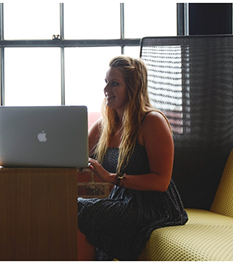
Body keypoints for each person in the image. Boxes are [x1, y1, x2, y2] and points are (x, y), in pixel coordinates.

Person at [77, 56, 188, 261]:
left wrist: (113, 178)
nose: (106, 89)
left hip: (155, 207)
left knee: (81, 210)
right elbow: (74, 156)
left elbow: (161, 182)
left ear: (133, 87)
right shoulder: (105, 125)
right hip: (121, 201)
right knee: (73, 208)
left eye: (115, 83)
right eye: (106, 82)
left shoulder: (152, 121)